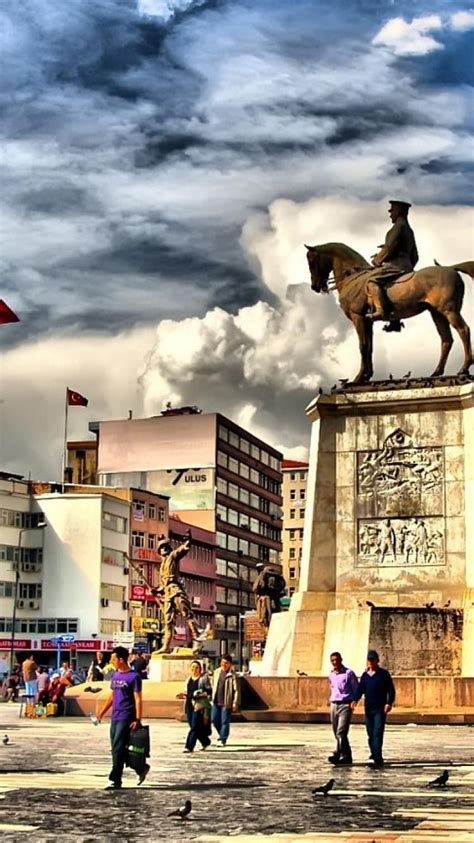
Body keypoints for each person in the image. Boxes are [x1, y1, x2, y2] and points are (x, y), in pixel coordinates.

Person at [97, 646, 148, 789]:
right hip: (115, 716)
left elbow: (138, 698)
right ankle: (141, 768)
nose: (111, 661)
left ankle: (115, 779)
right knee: (116, 748)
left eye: (113, 659)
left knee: (118, 748)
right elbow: (112, 696)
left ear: (121, 659)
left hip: (127, 716)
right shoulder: (116, 676)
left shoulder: (134, 676)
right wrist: (101, 712)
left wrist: (137, 719)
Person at [367, 200, 419, 321]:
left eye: (392, 211)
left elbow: (388, 248)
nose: (390, 214)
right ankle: (394, 320)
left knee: (371, 281)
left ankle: (380, 311)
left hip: (395, 267)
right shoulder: (409, 230)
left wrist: (377, 260)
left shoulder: (398, 227)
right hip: (407, 267)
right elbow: (415, 256)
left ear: (399, 212)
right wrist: (409, 267)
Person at [154, 532, 203, 654]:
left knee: (187, 614)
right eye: (161, 548)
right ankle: (166, 646)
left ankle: (198, 640)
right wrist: (157, 590)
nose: (164, 549)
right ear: (159, 551)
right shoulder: (162, 566)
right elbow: (163, 584)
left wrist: (187, 542)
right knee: (168, 621)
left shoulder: (172, 556)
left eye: (165, 546)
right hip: (167, 593)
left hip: (176, 590)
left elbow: (182, 550)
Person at [351, 650, 396, 768]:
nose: (370, 662)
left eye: (372, 660)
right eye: (369, 660)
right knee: (370, 734)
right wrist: (355, 699)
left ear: (377, 661)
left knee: (377, 733)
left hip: (379, 709)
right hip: (368, 709)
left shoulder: (383, 674)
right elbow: (360, 689)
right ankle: (374, 753)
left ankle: (377, 758)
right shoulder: (365, 675)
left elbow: (390, 689)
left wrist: (389, 702)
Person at [327, 652, 359, 766]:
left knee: (341, 731)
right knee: (336, 731)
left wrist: (354, 700)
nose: (335, 662)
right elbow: (331, 687)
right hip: (334, 704)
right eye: (333, 660)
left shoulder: (348, 673)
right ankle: (340, 753)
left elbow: (356, 688)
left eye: (336, 660)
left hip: (345, 704)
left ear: (341, 660)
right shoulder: (331, 674)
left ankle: (344, 755)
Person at [177, 660, 212, 753]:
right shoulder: (188, 679)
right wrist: (182, 695)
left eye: (196, 668)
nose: (194, 670)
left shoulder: (203, 679)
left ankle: (189, 746)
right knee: (194, 726)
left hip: (199, 705)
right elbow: (186, 692)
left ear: (200, 669)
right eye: (193, 668)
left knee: (195, 726)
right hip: (189, 705)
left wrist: (199, 694)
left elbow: (209, 692)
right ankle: (205, 741)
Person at [211, 654, 239, 747]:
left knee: (224, 721)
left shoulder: (232, 675)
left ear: (230, 664)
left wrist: (235, 702)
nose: (224, 664)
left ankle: (222, 739)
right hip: (216, 700)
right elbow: (213, 685)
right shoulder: (216, 672)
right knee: (214, 719)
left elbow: (237, 690)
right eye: (222, 662)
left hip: (226, 702)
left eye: (226, 663)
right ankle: (222, 734)